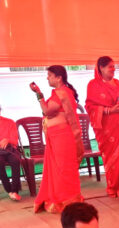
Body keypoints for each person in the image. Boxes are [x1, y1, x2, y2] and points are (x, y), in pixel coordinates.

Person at [30, 66, 84, 213]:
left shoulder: (61, 93)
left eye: (49, 75)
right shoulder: (62, 92)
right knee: (59, 168)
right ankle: (67, 199)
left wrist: (39, 95)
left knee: (63, 169)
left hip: (62, 137)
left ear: (59, 77)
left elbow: (47, 111)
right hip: (57, 137)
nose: (47, 78)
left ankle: (65, 201)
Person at [85, 56, 119, 198]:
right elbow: (90, 107)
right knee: (112, 157)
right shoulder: (93, 85)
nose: (113, 69)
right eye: (110, 67)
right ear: (101, 68)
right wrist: (110, 110)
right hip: (107, 128)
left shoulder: (118, 84)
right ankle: (115, 186)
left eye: (114, 66)